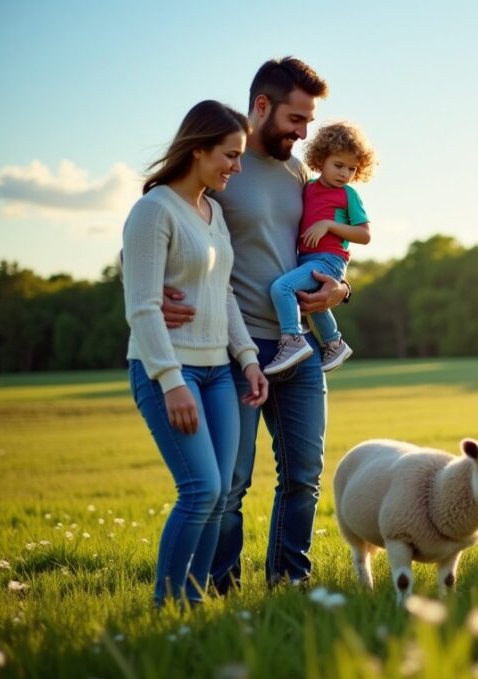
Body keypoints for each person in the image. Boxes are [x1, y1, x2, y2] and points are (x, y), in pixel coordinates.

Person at [160, 57, 347, 591]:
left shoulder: (299, 171)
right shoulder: (221, 163)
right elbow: (154, 229)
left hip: (300, 345)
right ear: (261, 105)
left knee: (304, 478)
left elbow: (324, 248)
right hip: (235, 349)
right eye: (296, 118)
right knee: (232, 483)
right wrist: (153, 289)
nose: (303, 132)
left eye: (309, 121)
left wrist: (340, 290)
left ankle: (289, 581)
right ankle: (222, 586)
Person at [122, 100, 269, 606]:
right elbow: (142, 308)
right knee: (201, 490)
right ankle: (168, 605)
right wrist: (170, 379)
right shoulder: (153, 210)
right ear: (198, 149)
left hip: (218, 373)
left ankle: (193, 599)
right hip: (169, 370)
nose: (237, 167)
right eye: (229, 155)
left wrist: (247, 358)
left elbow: (222, 292)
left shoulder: (212, 212)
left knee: (222, 490)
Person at [264, 121, 376, 375]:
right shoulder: (308, 188)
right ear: (321, 159)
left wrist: (328, 225)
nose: (344, 174)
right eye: (338, 165)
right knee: (310, 304)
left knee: (282, 288)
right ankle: (334, 343)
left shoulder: (348, 195)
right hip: (306, 258)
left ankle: (292, 339)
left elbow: (365, 235)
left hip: (330, 260)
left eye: (351, 168)